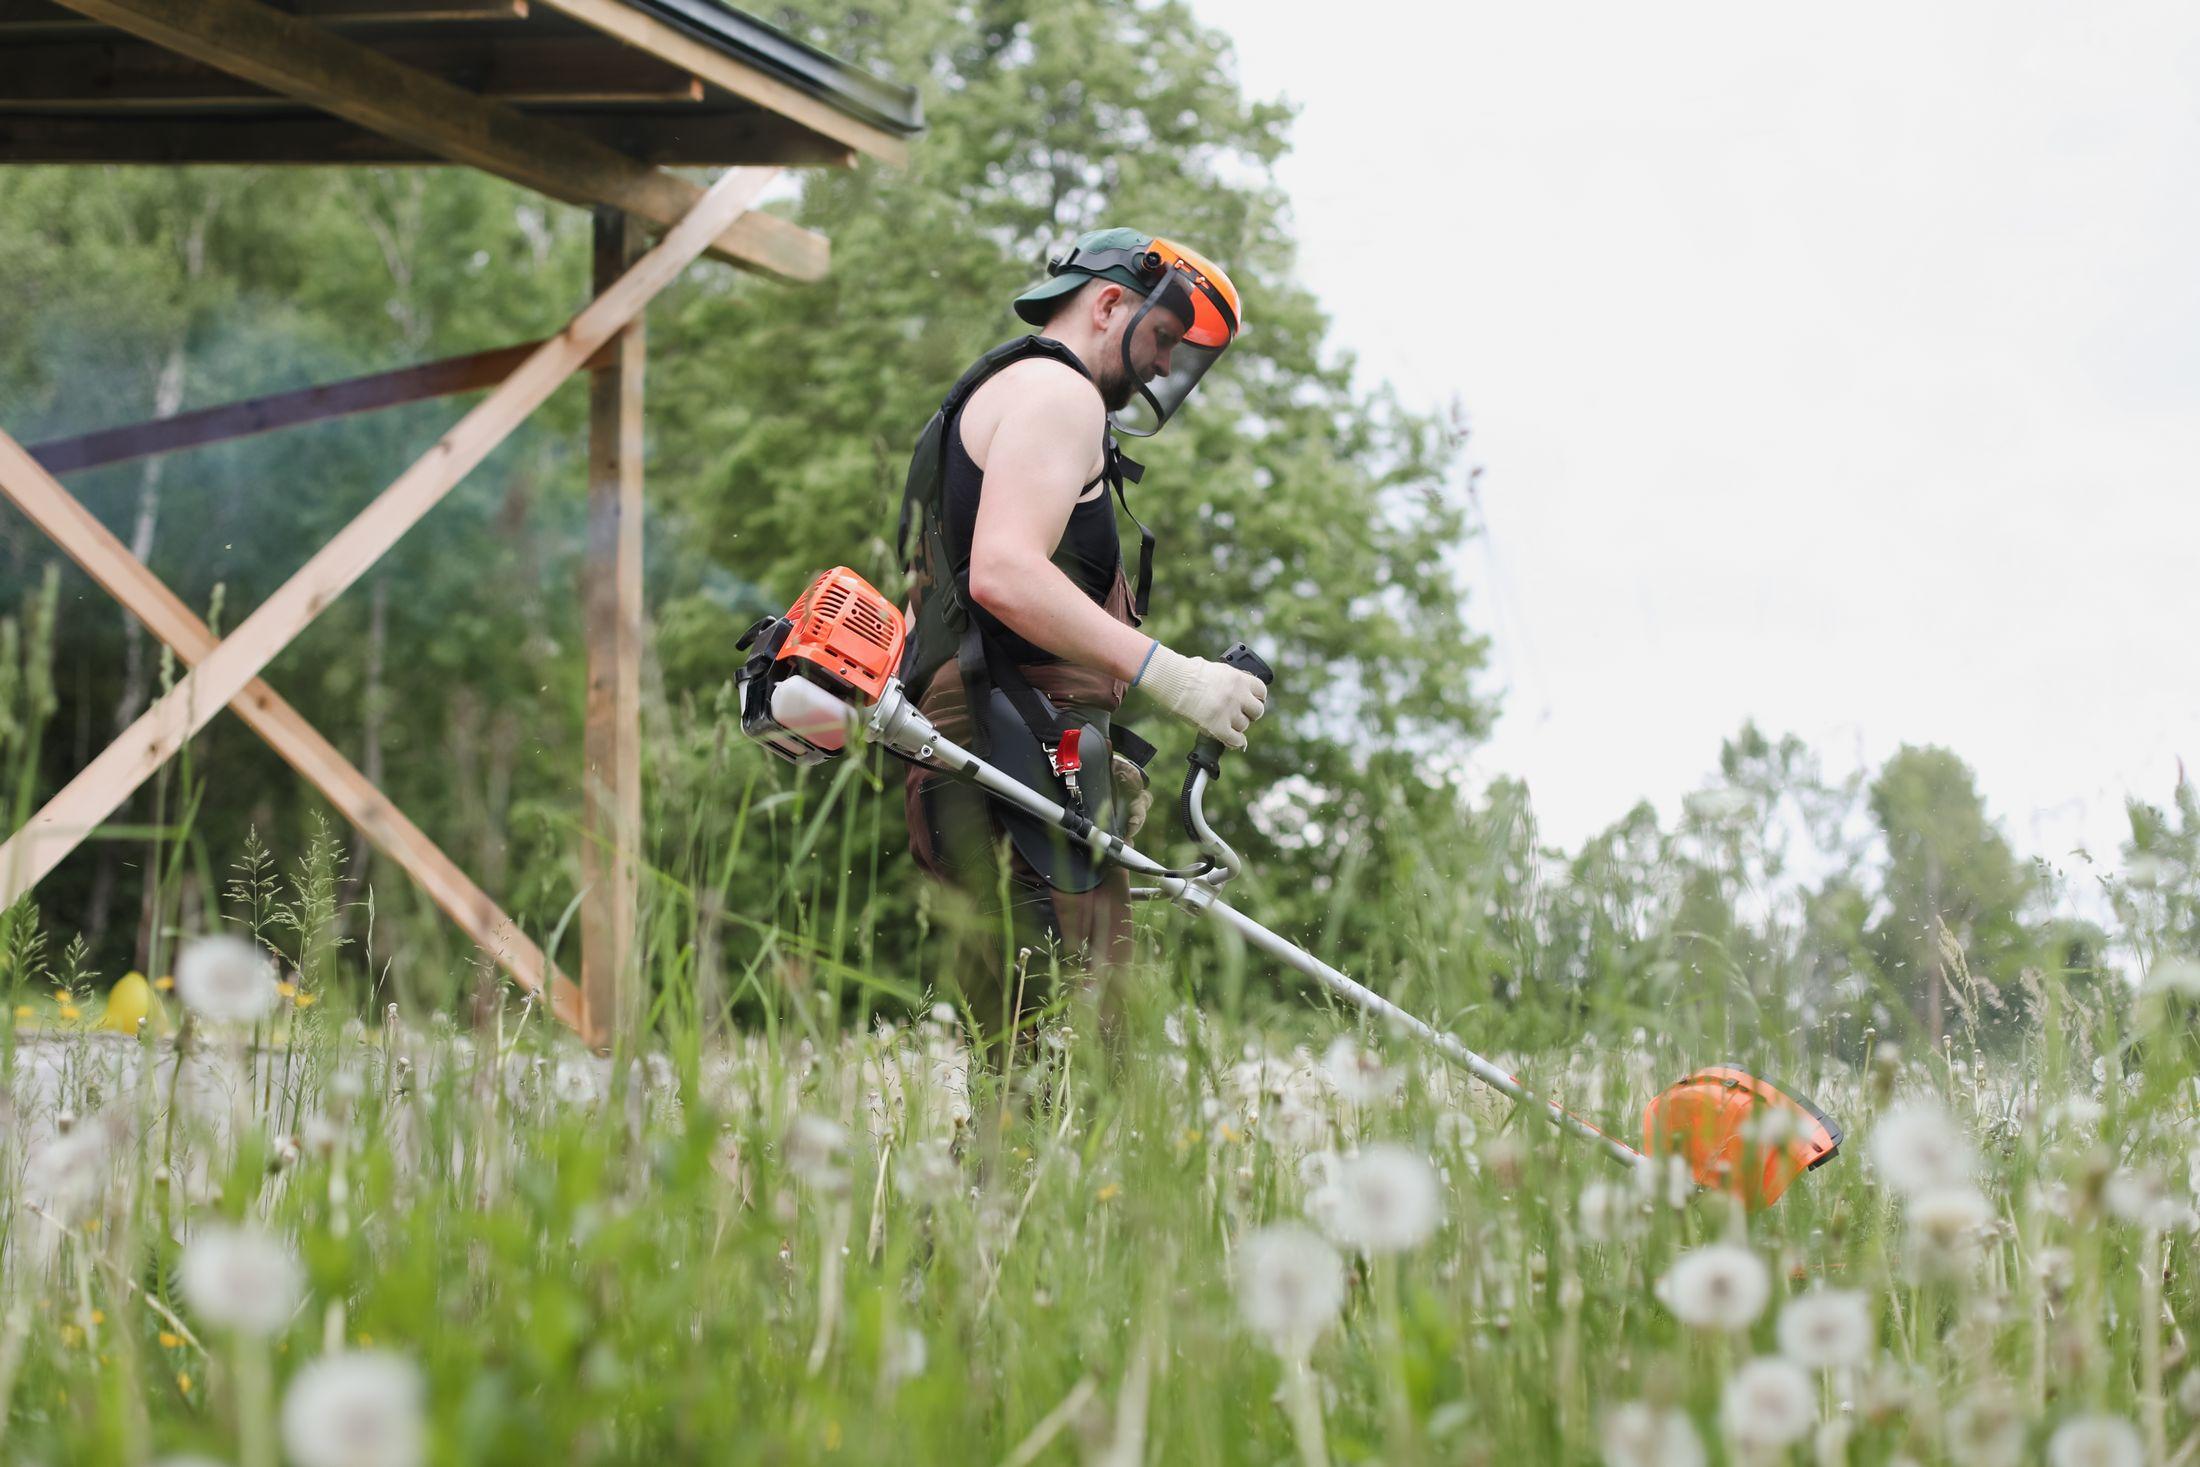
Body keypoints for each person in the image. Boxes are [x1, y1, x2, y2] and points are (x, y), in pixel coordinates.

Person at [895, 227, 1268, 1048]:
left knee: (1023, 1063)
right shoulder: (1058, 395)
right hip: (1015, 751)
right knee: (1080, 1070)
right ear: (1108, 304)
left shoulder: (998, 392)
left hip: (992, 750)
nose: (1167, 366)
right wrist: (1177, 677)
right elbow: (1002, 571)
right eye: (1165, 337)